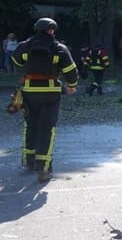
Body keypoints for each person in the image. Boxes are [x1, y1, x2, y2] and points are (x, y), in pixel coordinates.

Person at [11, 18, 79, 182]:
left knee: (30, 126)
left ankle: (29, 162)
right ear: (52, 30)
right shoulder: (59, 48)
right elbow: (71, 70)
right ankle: (43, 170)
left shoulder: (25, 45)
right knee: (47, 129)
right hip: (50, 94)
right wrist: (72, 85)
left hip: (29, 92)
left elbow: (15, 60)